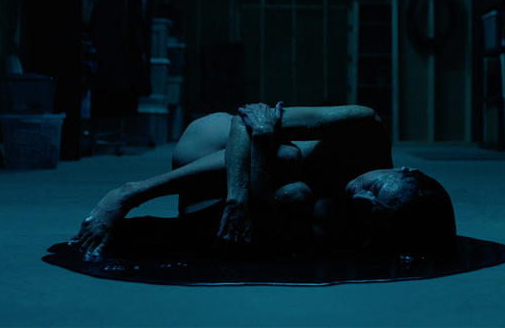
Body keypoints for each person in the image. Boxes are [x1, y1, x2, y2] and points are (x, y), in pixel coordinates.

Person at [72, 103, 456, 258]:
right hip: (205, 143)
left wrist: (260, 148)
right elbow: (246, 120)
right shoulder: (364, 128)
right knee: (287, 157)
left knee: (296, 195)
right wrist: (238, 196)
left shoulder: (360, 227)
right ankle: (129, 193)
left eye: (373, 212)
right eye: (376, 188)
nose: (360, 197)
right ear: (403, 170)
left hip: (219, 195)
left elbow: (275, 222)